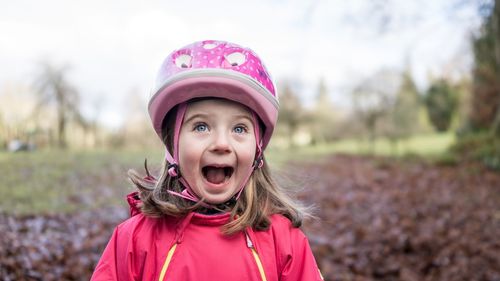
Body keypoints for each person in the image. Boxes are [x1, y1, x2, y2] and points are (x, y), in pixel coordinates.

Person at [91, 40, 323, 281]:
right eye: (201, 126)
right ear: (174, 145)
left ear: (257, 151)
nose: (221, 144)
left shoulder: (283, 242)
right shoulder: (134, 240)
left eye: (240, 128)